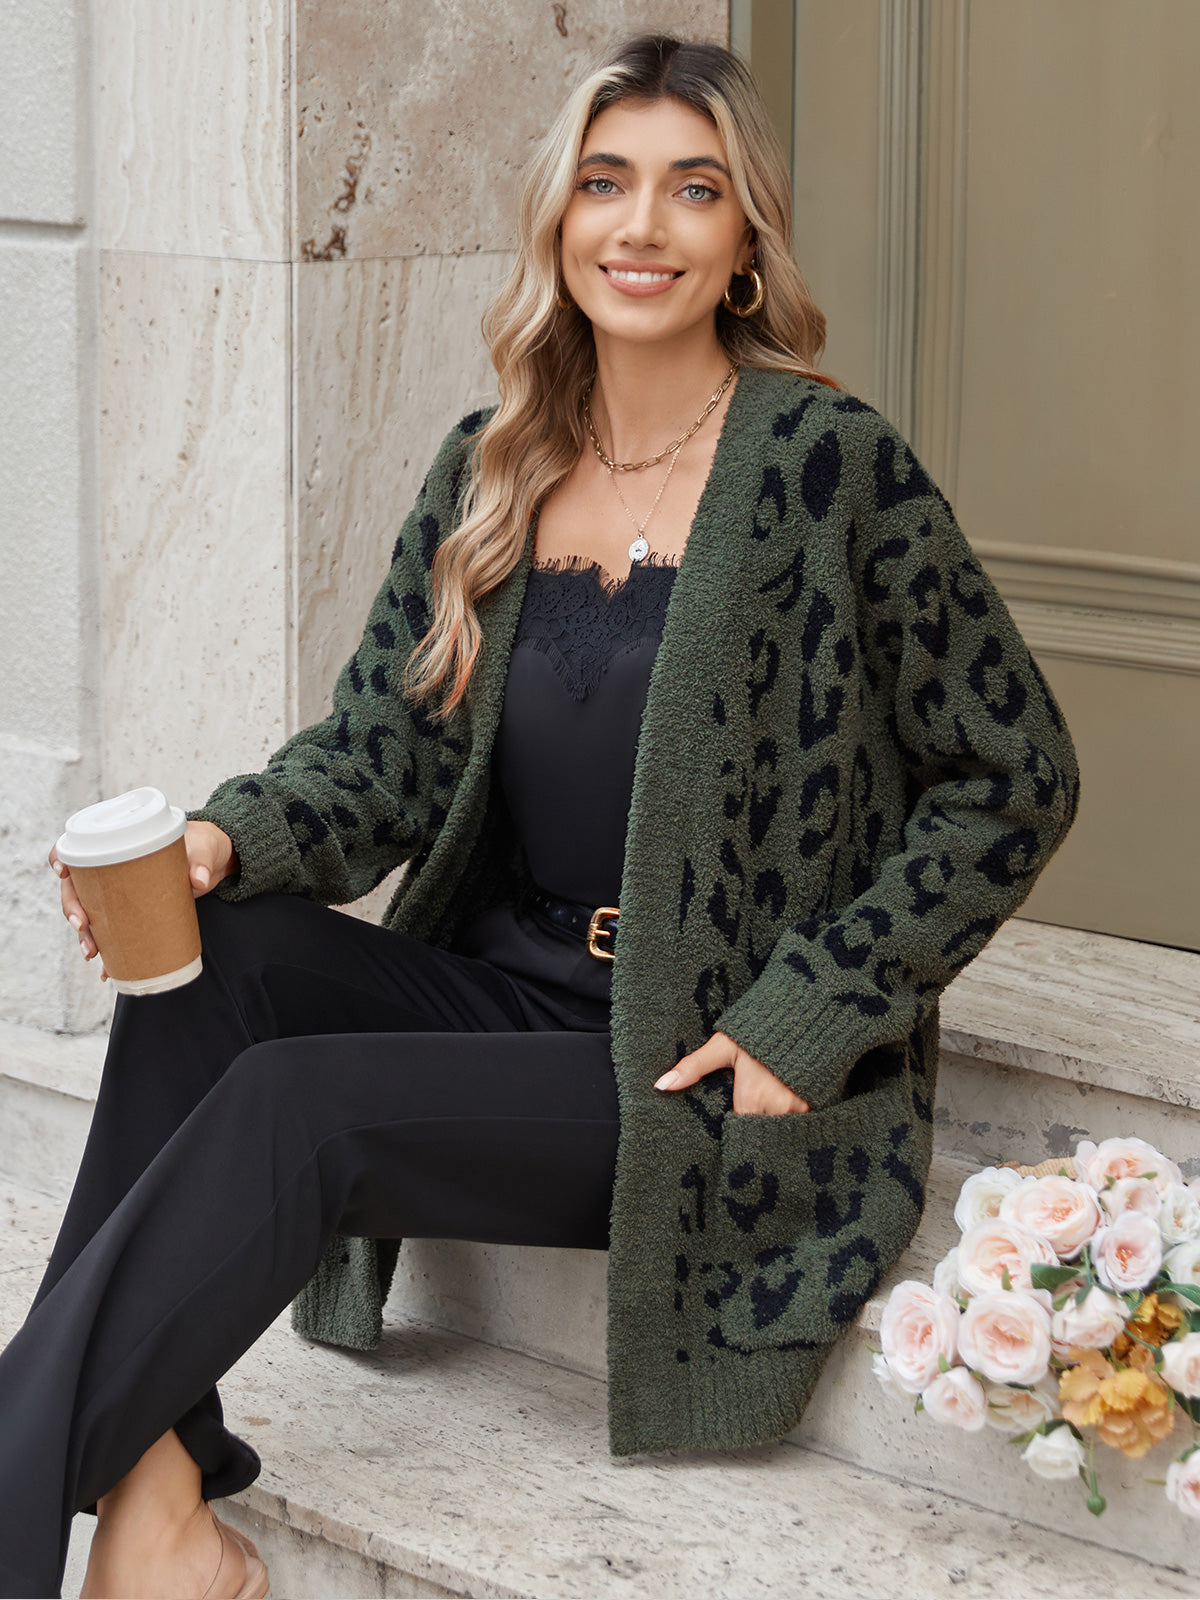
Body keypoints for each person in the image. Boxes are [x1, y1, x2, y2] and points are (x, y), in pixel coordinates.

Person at [0, 31, 1081, 1600]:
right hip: (509, 994)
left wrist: (813, 1008)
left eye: (691, 191)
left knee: (299, 1109)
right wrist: (220, 842)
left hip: (687, 1070)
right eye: (605, 183)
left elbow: (1014, 773)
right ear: (558, 223)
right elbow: (377, 757)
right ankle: (161, 1504)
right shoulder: (490, 469)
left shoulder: (830, 470)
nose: (641, 226)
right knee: (210, 961)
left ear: (744, 245)